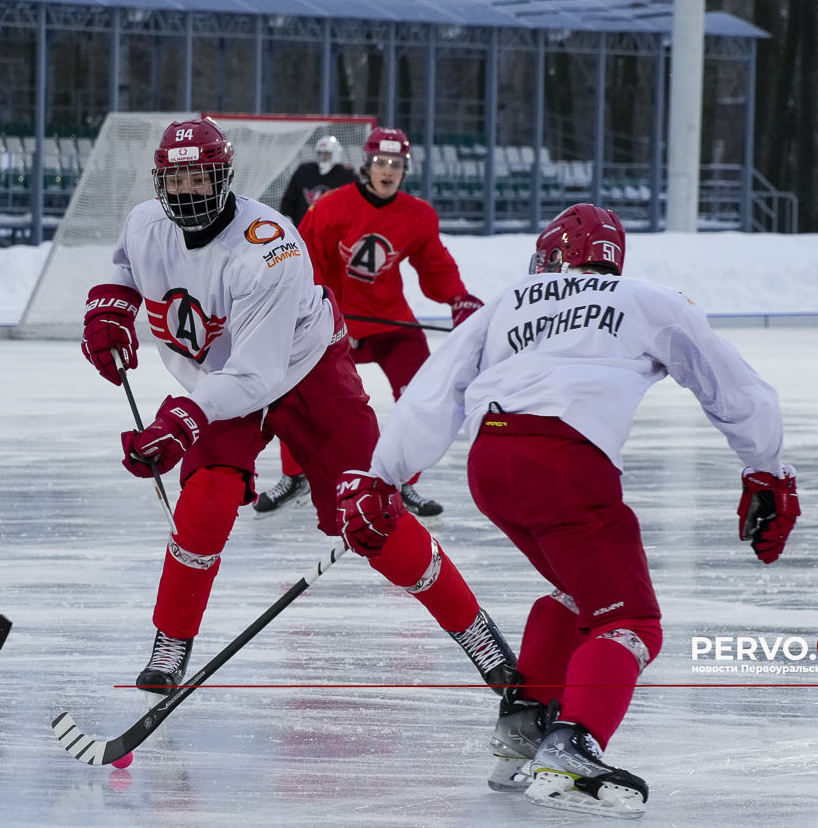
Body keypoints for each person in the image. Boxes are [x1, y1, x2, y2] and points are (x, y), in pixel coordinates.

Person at [341, 203, 799, 819]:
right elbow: (728, 382)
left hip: (492, 463)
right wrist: (766, 466)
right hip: (564, 462)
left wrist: (383, 477)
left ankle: (526, 728)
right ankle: (572, 745)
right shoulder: (645, 299)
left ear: (552, 255)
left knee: (580, 593)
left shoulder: (509, 301)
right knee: (631, 621)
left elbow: (434, 390)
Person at [79, 117, 517, 703]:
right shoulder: (144, 222)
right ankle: (170, 641)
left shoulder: (268, 247)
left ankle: (476, 633)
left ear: (224, 177)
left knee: (370, 519)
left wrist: (181, 420)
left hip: (305, 372)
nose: (186, 191)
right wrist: (108, 310)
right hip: (220, 379)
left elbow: (258, 375)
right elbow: (127, 267)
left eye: (199, 177)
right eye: (175, 178)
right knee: (204, 504)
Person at [254, 127, 484, 521]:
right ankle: (295, 477)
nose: (388, 171)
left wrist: (457, 297)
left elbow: (435, 267)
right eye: (381, 162)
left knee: (421, 395)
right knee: (297, 391)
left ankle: (402, 480)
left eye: (397, 164)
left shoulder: (418, 214)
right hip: (335, 322)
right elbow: (307, 266)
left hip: (390, 321)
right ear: (366, 164)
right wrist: (324, 315)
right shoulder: (328, 209)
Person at [279, 135, 356, 228]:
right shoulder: (304, 171)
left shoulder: (347, 175)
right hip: (304, 229)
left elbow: (354, 204)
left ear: (336, 153)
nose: (323, 158)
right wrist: (287, 216)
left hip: (334, 231)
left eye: (327, 154)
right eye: (320, 154)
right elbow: (289, 198)